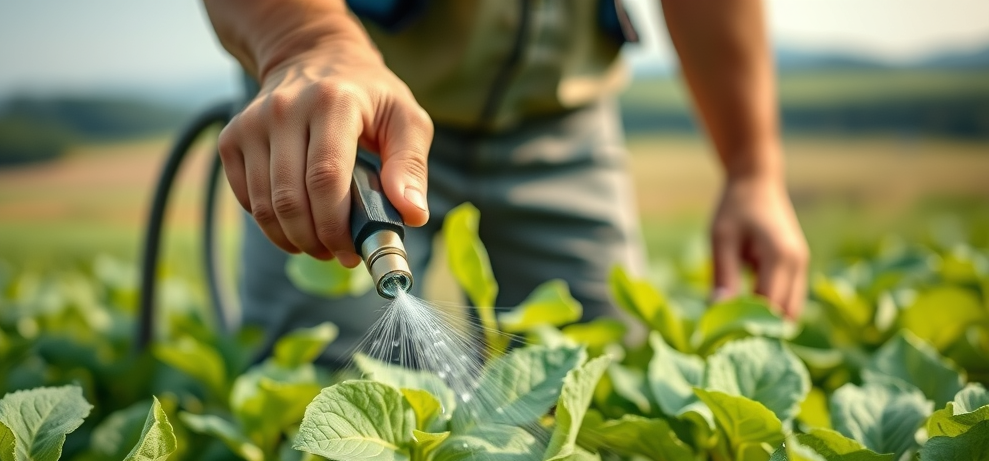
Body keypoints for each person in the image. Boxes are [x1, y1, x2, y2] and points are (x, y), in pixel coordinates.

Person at [202, 0, 810, 364]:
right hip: (354, 108)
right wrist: (303, 41)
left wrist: (753, 167)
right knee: (324, 399)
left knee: (591, 383)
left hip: (562, 114)